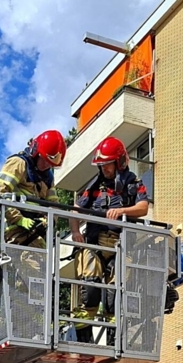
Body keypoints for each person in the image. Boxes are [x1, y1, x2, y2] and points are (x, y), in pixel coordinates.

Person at [71, 137, 150, 329]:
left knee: (115, 292)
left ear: (119, 162)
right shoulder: (94, 187)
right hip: (95, 243)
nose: (104, 169)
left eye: (107, 164)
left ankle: (116, 327)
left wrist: (122, 211)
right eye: (101, 165)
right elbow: (75, 210)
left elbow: (143, 207)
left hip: (120, 245)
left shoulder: (133, 183)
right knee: (90, 285)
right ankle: (83, 327)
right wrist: (75, 232)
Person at [0, 130, 67, 248]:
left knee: (40, 263)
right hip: (16, 230)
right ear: (36, 152)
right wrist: (19, 219)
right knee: (32, 264)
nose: (47, 166)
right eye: (45, 161)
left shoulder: (48, 177)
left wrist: (49, 221)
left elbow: (54, 204)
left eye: (51, 164)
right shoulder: (19, 163)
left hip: (37, 232)